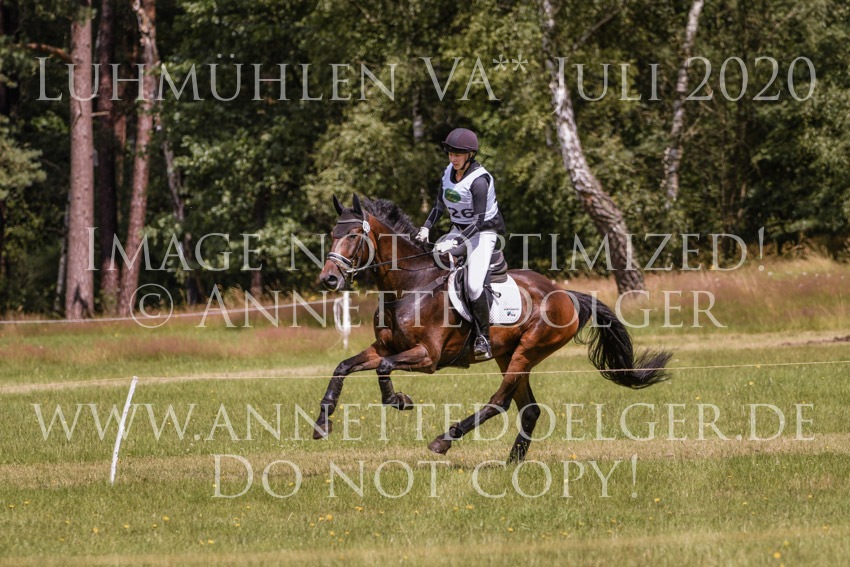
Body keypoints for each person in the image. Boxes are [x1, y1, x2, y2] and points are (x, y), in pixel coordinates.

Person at [416, 128, 506, 361]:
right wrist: (426, 227)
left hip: (483, 234)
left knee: (474, 285)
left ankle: (483, 338)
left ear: (470, 155)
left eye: (457, 154)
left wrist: (454, 243)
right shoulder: (448, 172)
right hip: (459, 229)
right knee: (433, 262)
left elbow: (478, 222)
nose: (452, 158)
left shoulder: (479, 181)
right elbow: (438, 205)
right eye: (450, 154)